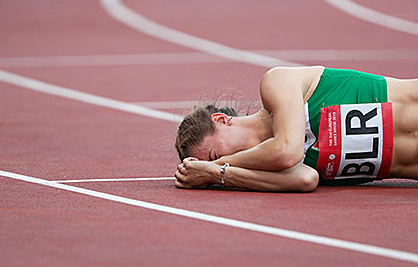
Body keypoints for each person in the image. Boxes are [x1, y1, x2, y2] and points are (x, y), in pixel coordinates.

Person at [174, 66, 418, 192]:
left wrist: (215, 167)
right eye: (217, 161)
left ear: (221, 120)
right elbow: (305, 179)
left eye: (216, 155)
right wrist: (218, 175)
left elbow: (287, 151)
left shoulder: (276, 83)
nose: (227, 161)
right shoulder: (274, 167)